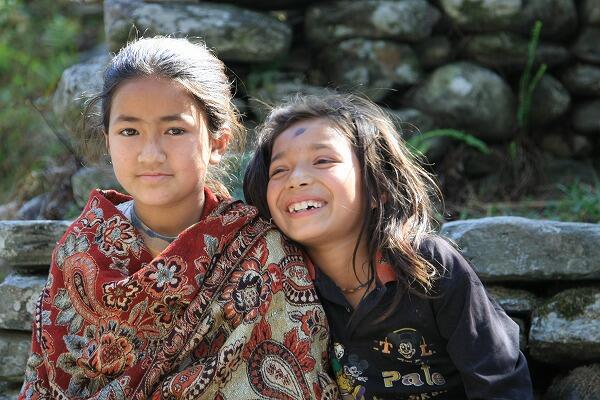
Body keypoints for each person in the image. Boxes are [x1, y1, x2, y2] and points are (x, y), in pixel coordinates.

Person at [19, 37, 338, 400]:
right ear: (108, 141)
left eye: (174, 130)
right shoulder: (81, 250)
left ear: (218, 144)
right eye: (129, 131)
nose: (151, 154)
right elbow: (46, 383)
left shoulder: (263, 254)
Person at [243, 94, 534, 400]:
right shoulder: (278, 285)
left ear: (378, 187)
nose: (297, 179)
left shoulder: (428, 266)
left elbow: (499, 381)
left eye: (323, 161)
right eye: (279, 170)